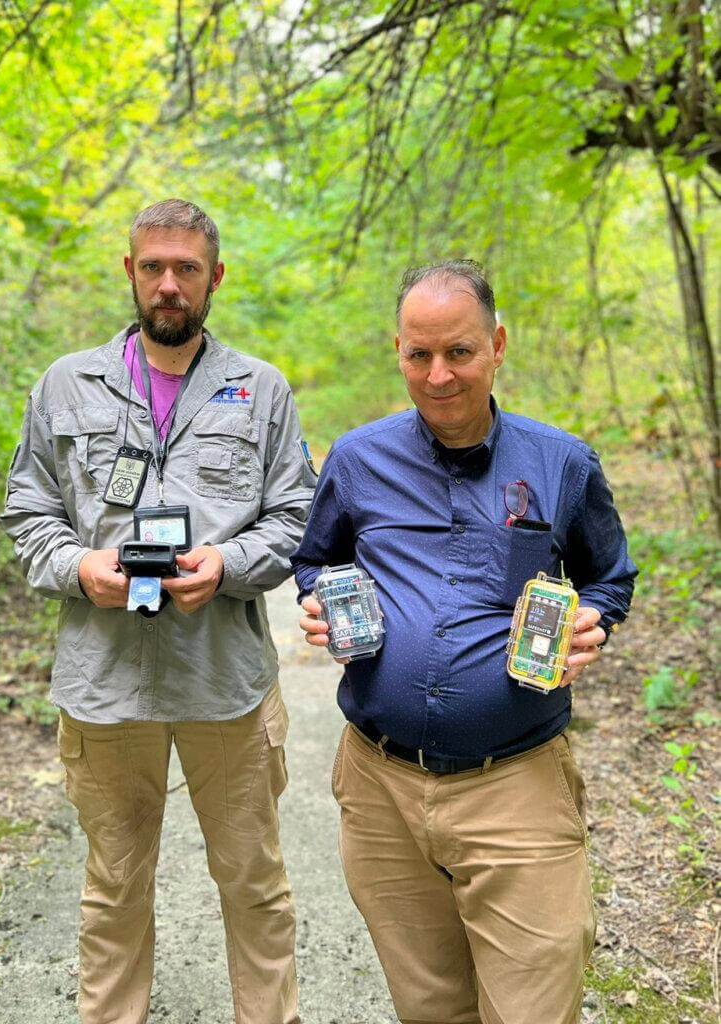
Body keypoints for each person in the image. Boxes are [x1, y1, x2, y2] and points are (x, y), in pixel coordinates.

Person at [292, 260, 637, 1024]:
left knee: (531, 1008)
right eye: (418, 355)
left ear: (497, 345)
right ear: (398, 351)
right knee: (430, 1007)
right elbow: (316, 559)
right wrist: (317, 602)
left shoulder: (561, 464)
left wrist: (593, 623)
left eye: (458, 352)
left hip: (515, 787)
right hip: (380, 790)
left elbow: (608, 576)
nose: (438, 374)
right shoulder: (357, 460)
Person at [1, 199, 315, 1024]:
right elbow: (28, 511)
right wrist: (79, 566)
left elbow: (296, 520)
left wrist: (230, 563)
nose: (168, 285)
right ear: (130, 272)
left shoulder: (261, 389)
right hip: (107, 684)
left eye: (186, 269)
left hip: (227, 683)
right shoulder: (67, 385)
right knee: (113, 888)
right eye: (153, 267)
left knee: (253, 886)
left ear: (216, 277)